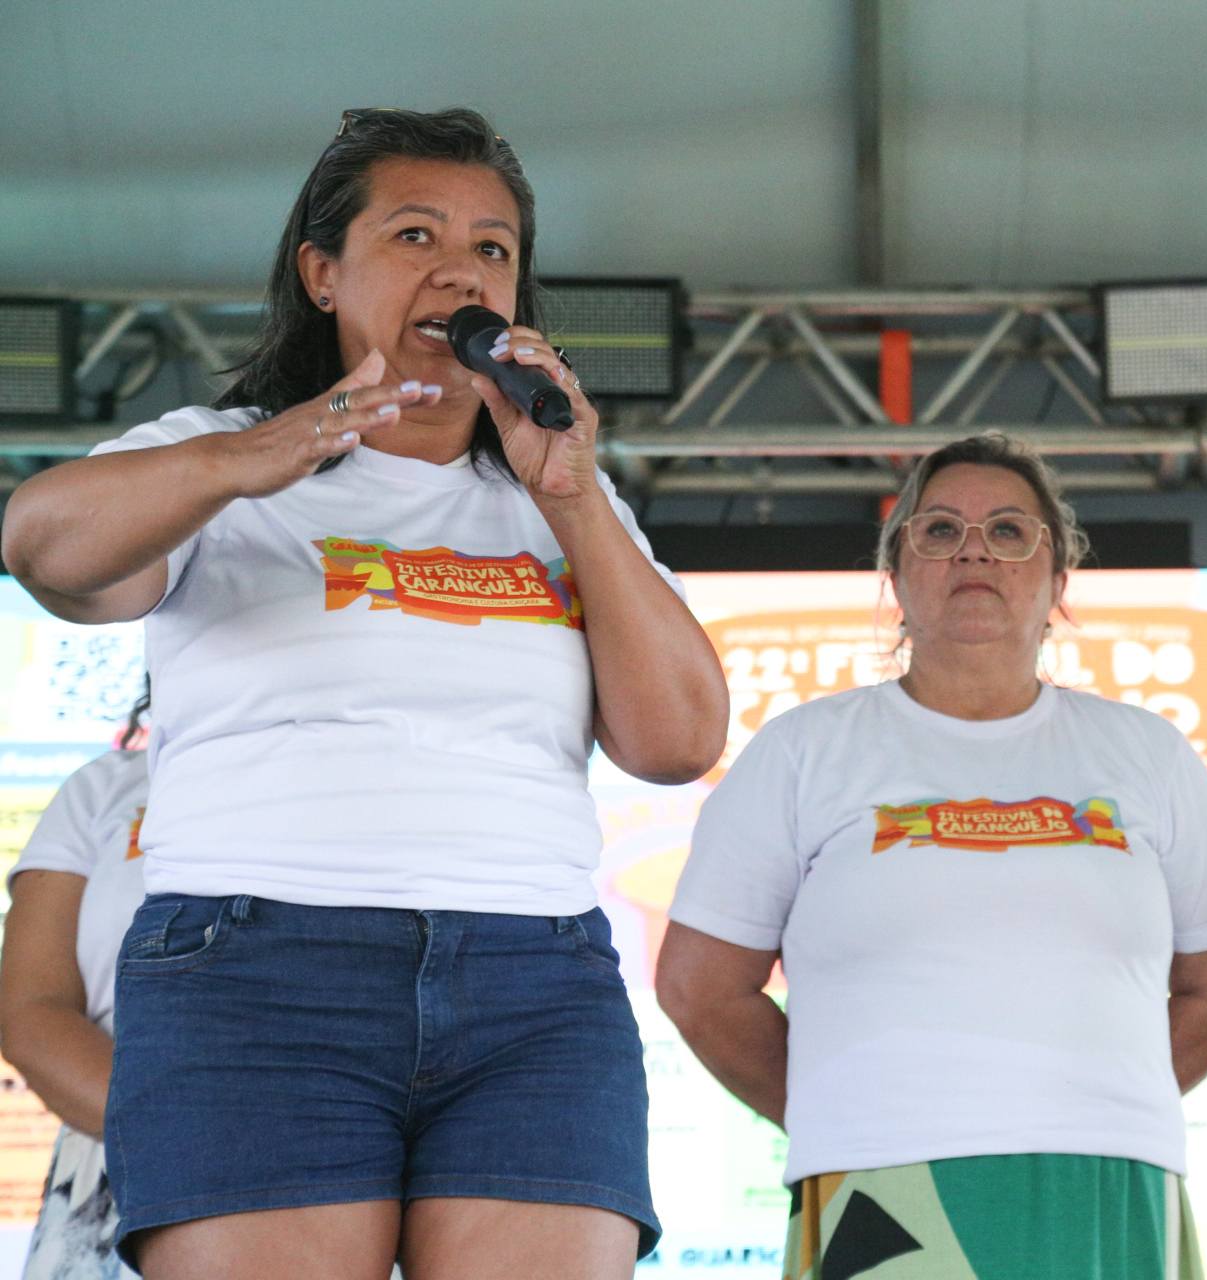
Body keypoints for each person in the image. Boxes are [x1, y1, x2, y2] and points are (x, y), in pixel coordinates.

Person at [0, 107, 727, 1280]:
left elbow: (680, 738)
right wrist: (258, 455)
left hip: (533, 982)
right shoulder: (221, 453)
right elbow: (43, 548)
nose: (462, 271)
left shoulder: (560, 499)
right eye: (415, 235)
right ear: (323, 273)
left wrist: (574, 497)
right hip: (258, 970)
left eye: (493, 248)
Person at [657, 434, 1207, 1280]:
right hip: (880, 1184)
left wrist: (1089, 1105)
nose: (974, 550)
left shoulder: (1149, 754)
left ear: (1058, 581)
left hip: (1108, 1185)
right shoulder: (803, 751)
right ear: (896, 575)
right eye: (940, 529)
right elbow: (700, 988)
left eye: (1009, 530)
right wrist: (846, 1112)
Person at [0, 690, 149, 1280]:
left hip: (351, 1161)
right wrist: (196, 1138)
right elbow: (32, 1011)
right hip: (117, 1155)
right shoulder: (107, 787)